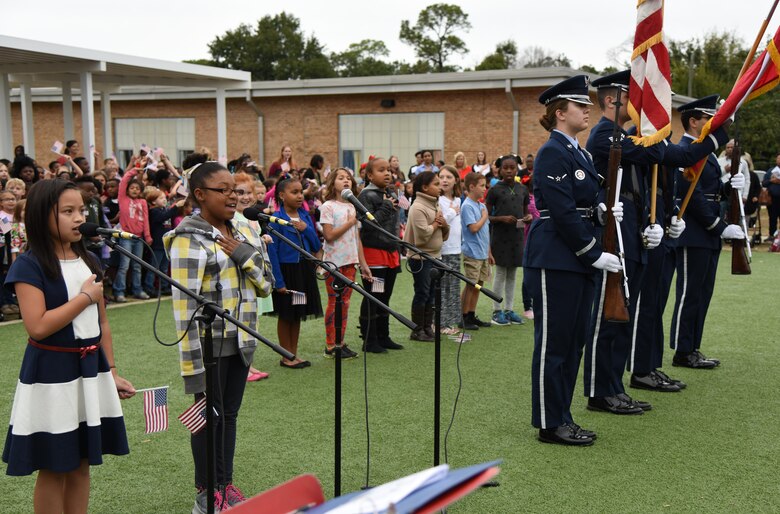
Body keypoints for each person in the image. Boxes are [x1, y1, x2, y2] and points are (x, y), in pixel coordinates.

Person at [3, 179, 134, 512]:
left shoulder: (89, 260)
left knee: (82, 461)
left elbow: (102, 323)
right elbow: (38, 326)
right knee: (54, 465)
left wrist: (112, 372)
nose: (79, 218)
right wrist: (84, 298)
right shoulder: (28, 266)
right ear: (40, 216)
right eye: (68, 211)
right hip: (51, 374)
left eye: (82, 210)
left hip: (90, 371)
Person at [165, 161, 273, 512]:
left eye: (236, 190)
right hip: (207, 349)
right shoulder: (187, 238)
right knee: (207, 418)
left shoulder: (241, 232)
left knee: (228, 415)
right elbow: (185, 310)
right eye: (223, 190)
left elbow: (266, 283)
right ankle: (206, 491)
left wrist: (242, 253)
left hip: (242, 341)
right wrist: (192, 367)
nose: (233, 196)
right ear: (200, 195)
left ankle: (225, 484)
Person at [524, 75, 620, 446]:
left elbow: (580, 202)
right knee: (554, 343)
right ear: (560, 113)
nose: (588, 110)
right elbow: (561, 211)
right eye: (582, 106)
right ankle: (550, 423)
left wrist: (600, 210)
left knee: (574, 341)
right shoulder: (553, 151)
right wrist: (593, 253)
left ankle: (563, 416)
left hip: (574, 259)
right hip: (555, 258)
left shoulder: (577, 152)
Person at [582, 70, 664, 415]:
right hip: (613, 229)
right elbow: (651, 154)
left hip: (630, 225)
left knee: (624, 312)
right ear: (612, 99)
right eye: (632, 98)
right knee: (609, 313)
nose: (637, 105)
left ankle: (614, 385)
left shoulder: (620, 134)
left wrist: (651, 222)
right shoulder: (604, 135)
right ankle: (601, 391)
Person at [628, 123, 730, 393]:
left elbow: (670, 183)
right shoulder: (633, 139)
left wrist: (672, 213)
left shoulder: (660, 145)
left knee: (657, 301)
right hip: (647, 232)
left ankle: (650, 365)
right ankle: (641, 368)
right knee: (647, 304)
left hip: (664, 230)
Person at [668, 95, 745, 369]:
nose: (712, 124)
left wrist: (729, 186)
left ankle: (693, 347)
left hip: (708, 231)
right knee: (689, 293)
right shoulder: (686, 150)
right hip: (694, 232)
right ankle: (682, 350)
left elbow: (711, 193)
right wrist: (720, 227)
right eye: (707, 119)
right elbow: (693, 195)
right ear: (693, 121)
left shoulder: (704, 152)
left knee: (703, 292)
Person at [267, 178, 323, 368]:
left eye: (301, 192)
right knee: (286, 314)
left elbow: (316, 245)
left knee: (297, 313)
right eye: (294, 192)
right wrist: (279, 282)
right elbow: (272, 253)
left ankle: (293, 354)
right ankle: (285, 356)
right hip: (286, 270)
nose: (300, 196)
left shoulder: (306, 217)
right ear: (282, 195)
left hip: (303, 270)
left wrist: (306, 229)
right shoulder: (275, 219)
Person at [319, 168, 371, 358]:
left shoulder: (352, 206)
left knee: (346, 303)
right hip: (334, 263)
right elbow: (329, 235)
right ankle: (330, 345)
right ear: (333, 183)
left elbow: (356, 238)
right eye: (341, 178)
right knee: (335, 302)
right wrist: (349, 223)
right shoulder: (328, 206)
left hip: (350, 262)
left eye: (348, 178)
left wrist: (362, 263)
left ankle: (340, 342)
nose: (346, 181)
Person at [357, 157, 403, 353]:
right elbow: (368, 223)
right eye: (381, 170)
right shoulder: (365, 196)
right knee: (373, 296)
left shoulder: (389, 193)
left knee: (385, 296)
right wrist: (386, 207)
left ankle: (384, 336)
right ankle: (369, 339)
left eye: (388, 170)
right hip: (374, 253)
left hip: (391, 251)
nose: (387, 173)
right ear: (369, 175)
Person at [232, 173, 272, 382]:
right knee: (242, 322)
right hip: (243, 276)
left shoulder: (251, 217)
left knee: (252, 322)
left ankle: (248, 363)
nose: (245, 197)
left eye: (248, 192)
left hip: (256, 274)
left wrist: (262, 239)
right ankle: (242, 367)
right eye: (240, 192)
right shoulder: (232, 219)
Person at [486, 154, 531, 326]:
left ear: (517, 168)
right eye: (506, 168)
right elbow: (486, 215)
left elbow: (526, 211)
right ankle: (496, 311)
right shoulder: (495, 190)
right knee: (500, 273)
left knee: (512, 274)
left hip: (517, 237)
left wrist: (528, 217)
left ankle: (509, 309)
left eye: (512, 167)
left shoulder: (523, 189)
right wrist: (501, 218)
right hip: (500, 236)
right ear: (499, 170)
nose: (509, 171)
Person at [404, 171, 449, 341]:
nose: (440, 187)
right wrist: (437, 224)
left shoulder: (434, 204)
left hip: (435, 256)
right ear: (424, 187)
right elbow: (422, 238)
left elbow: (443, 232)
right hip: (420, 258)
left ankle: (427, 327)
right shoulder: (418, 207)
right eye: (436, 184)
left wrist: (443, 225)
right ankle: (417, 330)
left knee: (431, 293)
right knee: (422, 292)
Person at [113, 161, 152, 302]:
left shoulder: (142, 203)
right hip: (126, 237)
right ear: (127, 190)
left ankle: (137, 290)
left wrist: (147, 235)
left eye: (137, 188)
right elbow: (123, 181)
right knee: (124, 265)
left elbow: (145, 219)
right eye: (132, 188)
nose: (135, 190)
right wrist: (135, 171)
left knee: (137, 266)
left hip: (139, 238)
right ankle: (119, 292)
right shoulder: (123, 199)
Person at [459, 172, 493, 330]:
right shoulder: (467, 206)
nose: (484, 188)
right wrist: (484, 217)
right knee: (470, 285)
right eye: (481, 185)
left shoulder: (481, 205)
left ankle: (471, 315)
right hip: (472, 253)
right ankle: (463, 316)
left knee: (478, 284)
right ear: (471, 187)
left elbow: (485, 232)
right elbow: (473, 228)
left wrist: (489, 252)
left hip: (482, 253)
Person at [437, 166, 463, 334]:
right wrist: (452, 212)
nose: (445, 180)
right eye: (442, 176)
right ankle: (440, 322)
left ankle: (451, 322)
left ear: (456, 180)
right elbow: (440, 220)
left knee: (453, 287)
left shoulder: (459, 199)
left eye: (449, 177)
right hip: (443, 249)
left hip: (456, 249)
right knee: (442, 287)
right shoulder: (438, 200)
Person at [144, 189, 184, 296]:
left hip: (165, 245)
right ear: (153, 202)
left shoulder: (164, 210)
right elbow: (164, 216)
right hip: (157, 244)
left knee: (164, 268)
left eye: (165, 198)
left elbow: (168, 214)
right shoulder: (154, 212)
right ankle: (149, 287)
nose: (164, 200)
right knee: (154, 267)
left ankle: (164, 287)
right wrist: (175, 206)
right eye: (161, 198)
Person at [762, 152, 780, 239]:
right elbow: (764, 183)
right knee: (772, 218)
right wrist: (771, 181)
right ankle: (772, 235)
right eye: (778, 158)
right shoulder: (770, 171)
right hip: (772, 199)